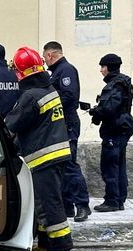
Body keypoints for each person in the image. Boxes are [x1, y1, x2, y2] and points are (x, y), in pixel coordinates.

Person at [5, 46, 73, 251]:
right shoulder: (49, 90)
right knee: (43, 204)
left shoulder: (30, 97)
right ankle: (46, 243)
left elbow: (11, 125)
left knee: (50, 204)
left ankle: (61, 249)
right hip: (57, 156)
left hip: (44, 158)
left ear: (20, 73)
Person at [43, 41, 91, 222]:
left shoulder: (66, 70)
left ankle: (82, 205)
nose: (44, 61)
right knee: (62, 166)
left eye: (44, 57)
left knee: (69, 165)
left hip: (67, 124)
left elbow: (69, 97)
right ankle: (67, 206)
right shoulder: (57, 72)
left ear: (50, 55)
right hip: (60, 124)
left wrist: (48, 107)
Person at [89, 54, 133, 212]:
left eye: (102, 67)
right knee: (119, 164)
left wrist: (96, 112)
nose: (101, 70)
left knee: (110, 165)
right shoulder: (124, 82)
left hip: (114, 129)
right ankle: (119, 199)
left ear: (109, 67)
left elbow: (109, 108)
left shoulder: (114, 85)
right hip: (122, 128)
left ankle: (112, 200)